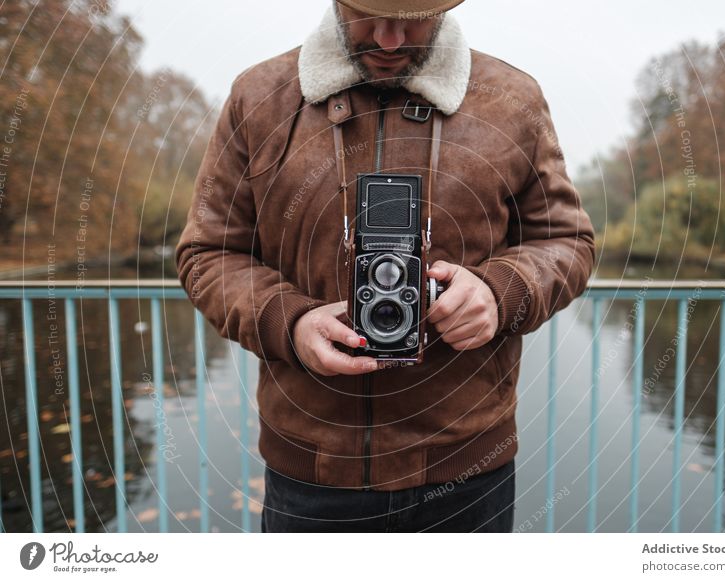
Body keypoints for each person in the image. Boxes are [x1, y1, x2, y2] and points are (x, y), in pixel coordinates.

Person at [175, 0, 596, 532]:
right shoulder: (258, 98)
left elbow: (567, 240)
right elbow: (207, 253)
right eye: (368, 15)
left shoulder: (513, 99)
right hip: (311, 477)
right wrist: (292, 322)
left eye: (413, 17)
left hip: (468, 471)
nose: (391, 38)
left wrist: (499, 291)